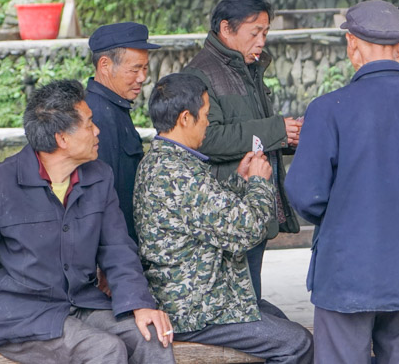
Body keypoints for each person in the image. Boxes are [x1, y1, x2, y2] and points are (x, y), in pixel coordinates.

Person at [285, 0, 399, 364]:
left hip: (345, 270)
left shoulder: (327, 108)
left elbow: (304, 192)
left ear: (351, 44)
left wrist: (342, 217)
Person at [0, 80, 173, 364]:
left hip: (81, 304)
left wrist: (139, 304)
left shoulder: (99, 176)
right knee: (105, 349)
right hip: (22, 317)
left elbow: (118, 249)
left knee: (154, 337)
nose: (97, 131)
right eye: (89, 125)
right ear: (62, 139)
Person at [134, 73, 313, 363]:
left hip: (200, 297)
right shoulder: (177, 173)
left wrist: (240, 180)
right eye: (204, 115)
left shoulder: (162, 160)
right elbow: (247, 231)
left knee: (278, 319)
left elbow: (206, 215)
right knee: (297, 343)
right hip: (196, 310)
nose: (208, 122)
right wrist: (258, 182)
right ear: (184, 119)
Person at [183, 0, 301, 303]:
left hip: (252, 201)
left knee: (250, 297)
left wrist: (286, 138)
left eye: (265, 32)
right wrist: (276, 129)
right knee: (242, 304)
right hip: (227, 209)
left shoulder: (248, 68)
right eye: (255, 33)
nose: (262, 41)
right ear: (226, 29)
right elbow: (206, 138)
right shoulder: (200, 73)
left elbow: (253, 130)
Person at [86, 21, 160, 243]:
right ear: (105, 65)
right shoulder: (96, 116)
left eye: (145, 68)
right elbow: (98, 199)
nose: (142, 78)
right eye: (134, 69)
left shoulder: (116, 107)